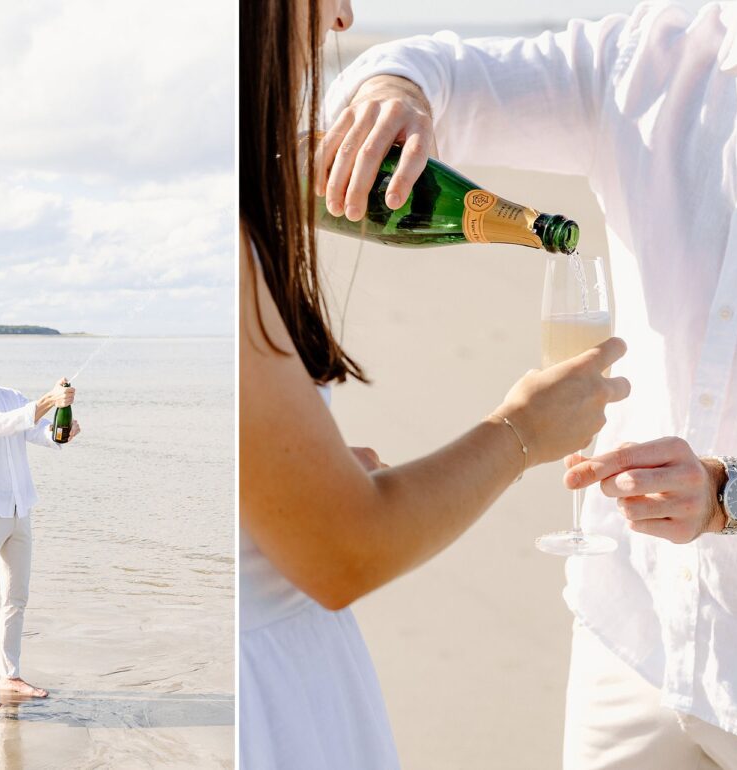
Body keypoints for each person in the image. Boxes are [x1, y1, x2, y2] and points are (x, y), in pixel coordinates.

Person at [319, 2, 737, 767]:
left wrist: (728, 495)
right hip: (633, 623)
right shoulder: (648, 54)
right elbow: (427, 66)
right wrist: (400, 91)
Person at [239, 1, 631, 767]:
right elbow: (344, 553)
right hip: (269, 698)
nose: (345, 16)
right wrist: (522, 431)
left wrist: (285, 475)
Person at [0, 330, 79, 707]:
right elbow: (2, 425)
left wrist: (63, 426)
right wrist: (47, 399)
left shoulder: (10, 395)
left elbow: (41, 434)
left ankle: (11, 675)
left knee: (16, 597)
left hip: (21, 510)